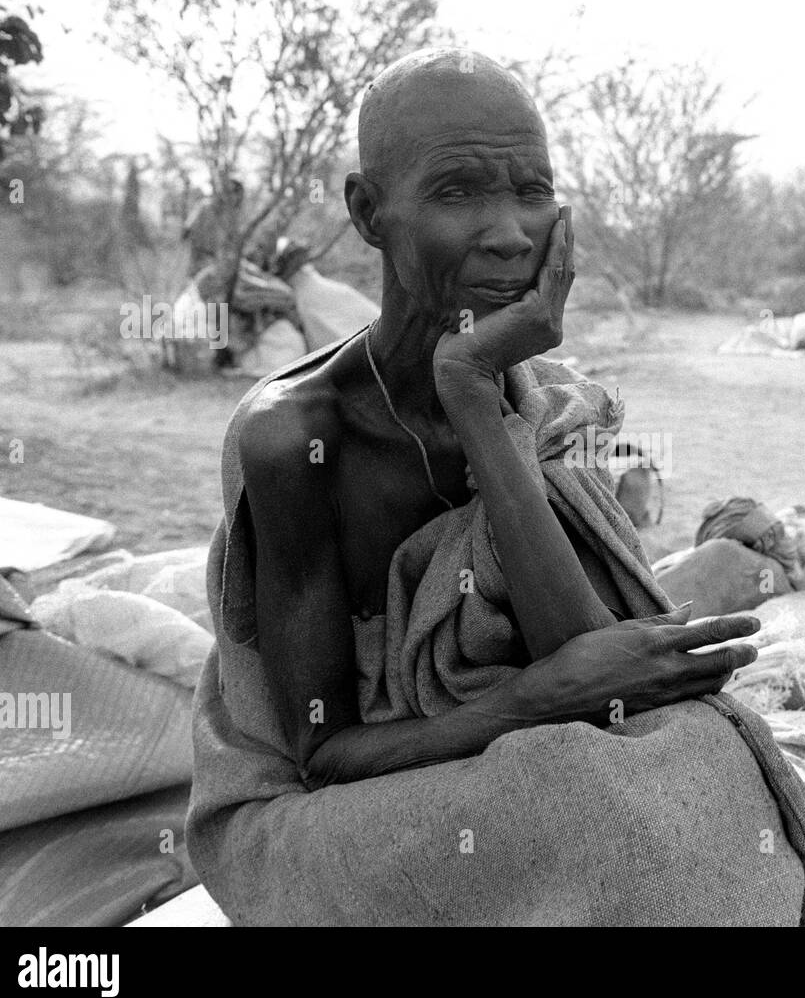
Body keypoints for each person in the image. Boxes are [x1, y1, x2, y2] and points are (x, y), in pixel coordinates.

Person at [233, 49, 760, 789]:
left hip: (543, 760)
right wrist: (530, 701)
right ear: (366, 212)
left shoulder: (548, 402)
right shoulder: (297, 436)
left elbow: (598, 676)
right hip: (382, 788)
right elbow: (322, 755)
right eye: (458, 191)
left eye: (533, 191)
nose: (512, 233)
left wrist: (471, 389)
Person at [181, 177, 244, 278]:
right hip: (197, 256)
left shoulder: (232, 216)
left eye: (235, 193)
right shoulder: (204, 206)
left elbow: (232, 242)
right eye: (228, 191)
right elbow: (186, 230)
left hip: (215, 262)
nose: (232, 196)